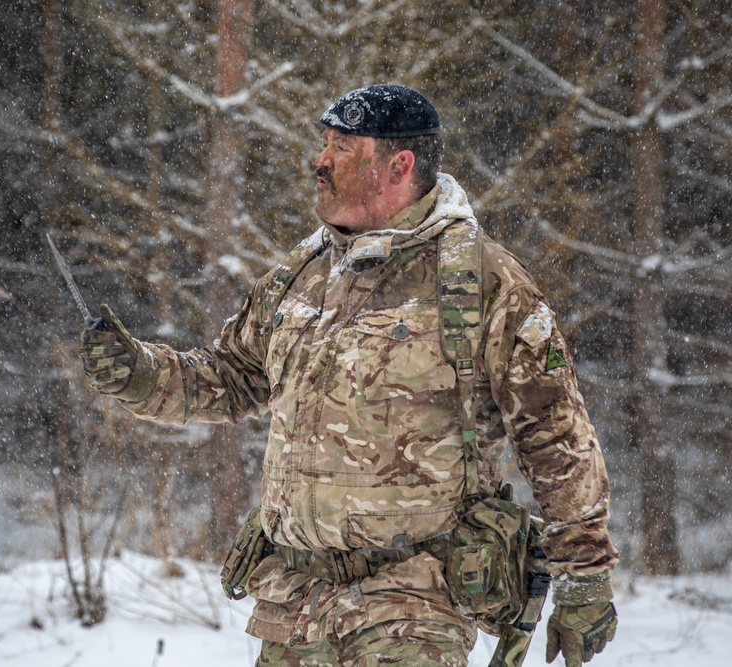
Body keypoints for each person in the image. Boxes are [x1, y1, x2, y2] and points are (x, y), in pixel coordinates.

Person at [78, 85, 619, 667]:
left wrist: (584, 575)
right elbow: (231, 377)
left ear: (398, 164)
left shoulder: (482, 281)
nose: (321, 160)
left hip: (413, 605)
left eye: (341, 146)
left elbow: (556, 436)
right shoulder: (301, 274)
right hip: (294, 603)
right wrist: (138, 374)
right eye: (324, 144)